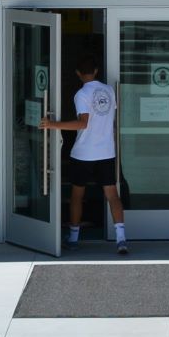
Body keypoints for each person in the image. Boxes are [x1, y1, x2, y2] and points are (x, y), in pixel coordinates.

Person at [40, 57, 128, 254]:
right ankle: (121, 239)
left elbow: (83, 123)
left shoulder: (82, 94)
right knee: (112, 195)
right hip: (106, 151)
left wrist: (52, 124)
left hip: (84, 153)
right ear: (96, 71)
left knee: (77, 196)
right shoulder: (109, 90)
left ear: (78, 74)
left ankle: (73, 238)